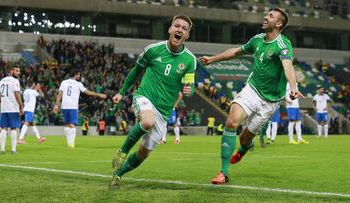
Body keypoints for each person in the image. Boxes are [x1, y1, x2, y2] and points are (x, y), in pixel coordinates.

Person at [200, 8, 304, 184]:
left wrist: (293, 88)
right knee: (232, 122)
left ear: (279, 24)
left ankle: (243, 149)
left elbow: (287, 66)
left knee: (244, 139)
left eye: (270, 16)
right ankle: (223, 173)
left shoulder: (283, 44)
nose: (265, 17)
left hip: (270, 102)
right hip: (252, 90)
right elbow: (234, 52)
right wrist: (212, 59)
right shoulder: (256, 40)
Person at [110, 15, 196, 186]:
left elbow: (190, 86)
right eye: (176, 26)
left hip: (164, 112)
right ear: (170, 29)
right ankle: (122, 152)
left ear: (187, 35)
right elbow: (135, 72)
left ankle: (119, 173)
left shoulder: (190, 60)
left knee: (144, 153)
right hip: (145, 96)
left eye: (184, 28)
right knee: (147, 122)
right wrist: (121, 92)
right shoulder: (153, 50)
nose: (179, 29)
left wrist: (189, 89)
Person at [53, 69, 107, 148]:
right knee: (72, 125)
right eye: (78, 75)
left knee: (67, 124)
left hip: (64, 106)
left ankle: (69, 143)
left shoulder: (63, 82)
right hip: (73, 106)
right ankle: (71, 143)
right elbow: (87, 92)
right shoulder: (78, 84)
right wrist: (98, 94)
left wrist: (56, 105)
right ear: (76, 75)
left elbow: (59, 94)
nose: (79, 76)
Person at [0, 66, 24, 154]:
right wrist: (21, 106)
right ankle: (13, 150)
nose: (18, 72)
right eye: (16, 71)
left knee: (3, 128)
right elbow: (17, 94)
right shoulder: (15, 81)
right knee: (13, 128)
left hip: (4, 108)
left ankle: (2, 149)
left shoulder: (2, 80)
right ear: (11, 71)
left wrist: (4, 101)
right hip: (13, 108)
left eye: (18, 71)